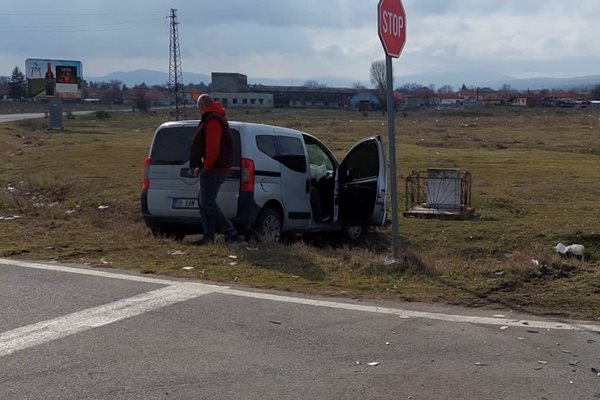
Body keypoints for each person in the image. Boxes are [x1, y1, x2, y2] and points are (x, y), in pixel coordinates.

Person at [189, 94, 239, 244]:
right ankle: (208, 236)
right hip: (215, 166)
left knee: (207, 203)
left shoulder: (212, 121)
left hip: (215, 167)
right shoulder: (215, 117)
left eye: (198, 107)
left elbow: (213, 148)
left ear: (202, 106)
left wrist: (206, 166)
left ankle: (229, 231)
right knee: (203, 201)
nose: (198, 111)